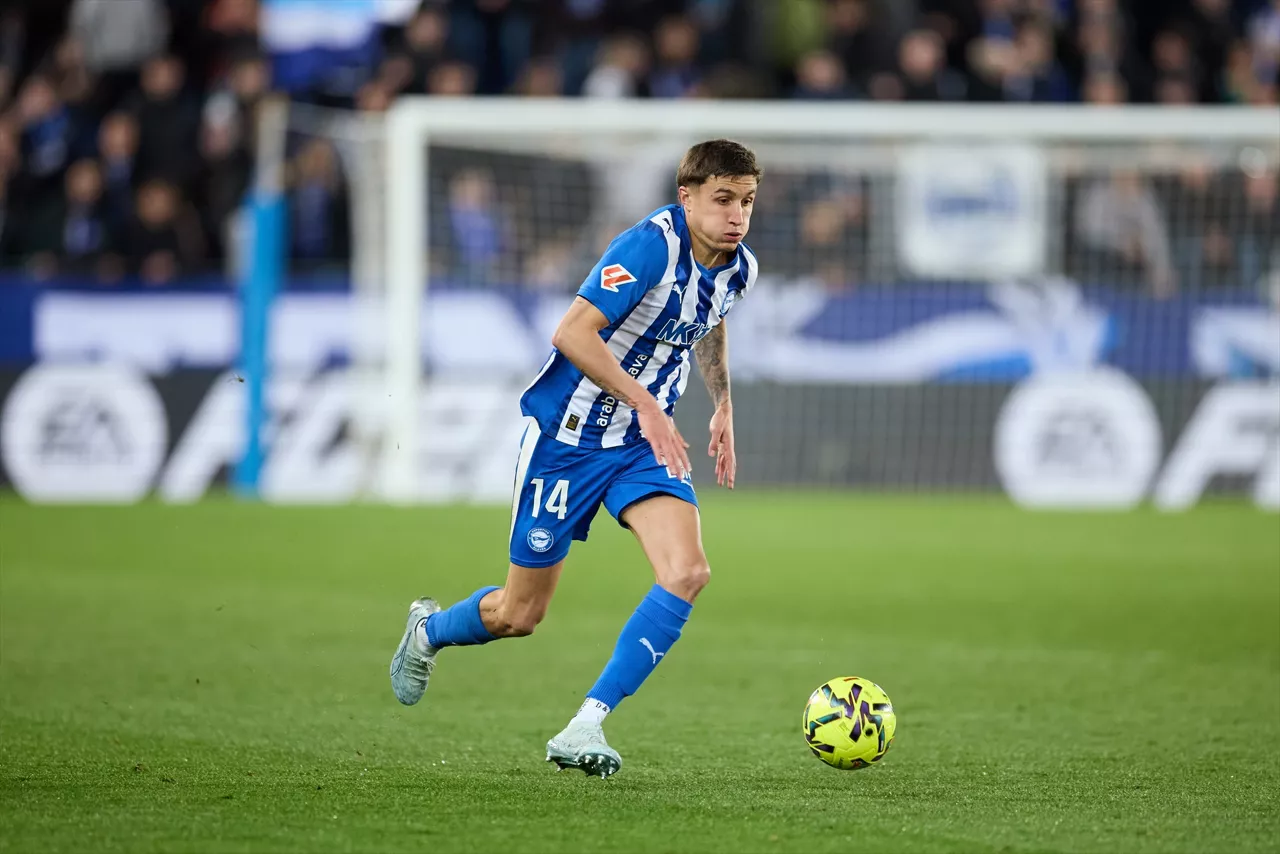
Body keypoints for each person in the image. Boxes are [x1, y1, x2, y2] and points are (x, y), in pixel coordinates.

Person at [389, 139, 762, 778]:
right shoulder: (648, 248)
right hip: (567, 441)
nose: (735, 215)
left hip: (641, 446)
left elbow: (711, 319)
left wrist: (722, 401)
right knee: (519, 614)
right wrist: (647, 402)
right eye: (722, 199)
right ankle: (428, 632)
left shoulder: (740, 267)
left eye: (747, 201)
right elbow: (570, 332)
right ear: (687, 197)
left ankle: (585, 723)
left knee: (688, 571)